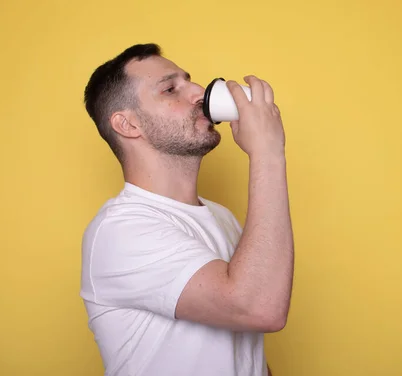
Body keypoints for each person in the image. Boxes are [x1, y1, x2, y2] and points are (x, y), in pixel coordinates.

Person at [79, 43, 294, 376]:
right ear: (128, 125)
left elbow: (244, 351)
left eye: (190, 81)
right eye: (170, 89)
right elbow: (258, 308)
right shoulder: (120, 231)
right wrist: (268, 152)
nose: (198, 92)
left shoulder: (221, 217)